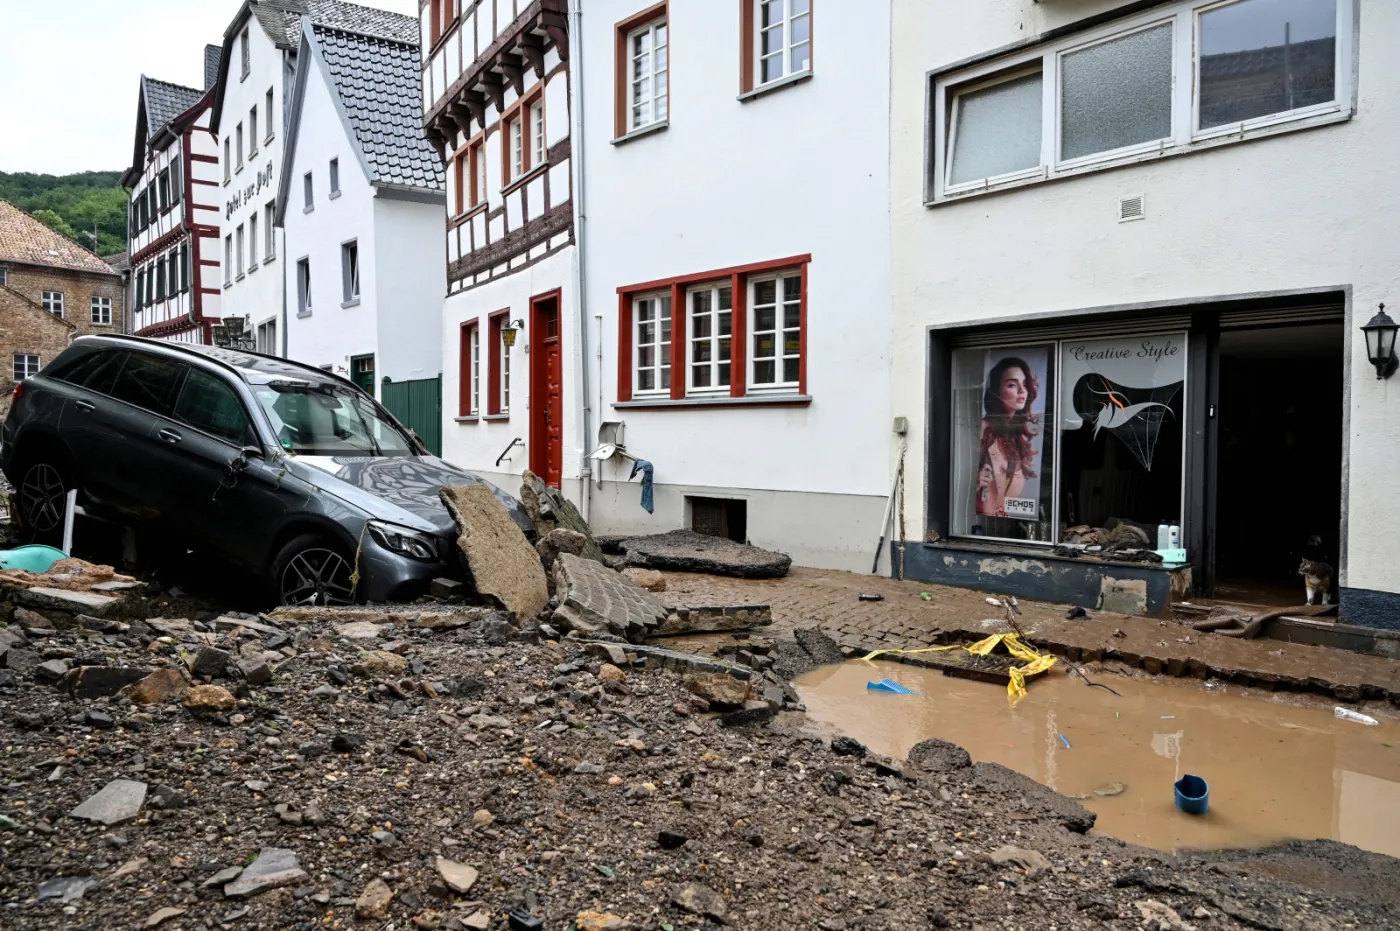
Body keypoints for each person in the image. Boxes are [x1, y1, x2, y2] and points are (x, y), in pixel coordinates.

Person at [976, 356, 1041, 518]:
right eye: (1012, 385)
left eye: (1025, 385)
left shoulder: (1017, 438)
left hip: (1002, 526)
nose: (1022, 391)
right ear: (996, 391)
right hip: (978, 524)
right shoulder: (982, 430)